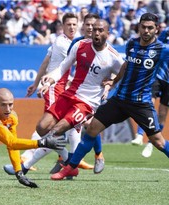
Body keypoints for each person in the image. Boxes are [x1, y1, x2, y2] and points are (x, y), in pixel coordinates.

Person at [53, 13, 169, 180]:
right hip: (120, 99)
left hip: (141, 104)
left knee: (158, 141)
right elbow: (125, 66)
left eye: (150, 28)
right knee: (92, 128)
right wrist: (113, 82)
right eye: (143, 27)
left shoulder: (162, 50)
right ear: (139, 27)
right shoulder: (132, 44)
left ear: (156, 29)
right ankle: (71, 167)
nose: (146, 30)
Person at [38, 18, 124, 180]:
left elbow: (124, 74)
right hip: (69, 94)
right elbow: (63, 66)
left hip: (87, 103)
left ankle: (70, 162)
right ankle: (68, 159)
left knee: (56, 131)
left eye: (100, 30)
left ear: (108, 33)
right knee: (41, 128)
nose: (96, 33)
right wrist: (50, 78)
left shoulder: (114, 57)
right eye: (94, 29)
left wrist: (111, 83)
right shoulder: (80, 45)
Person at [3, 12, 82, 175]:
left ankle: (67, 163)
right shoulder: (63, 43)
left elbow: (46, 61)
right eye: (69, 25)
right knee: (49, 130)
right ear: (63, 26)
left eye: (74, 24)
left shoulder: (67, 41)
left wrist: (35, 83)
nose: (72, 27)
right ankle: (69, 162)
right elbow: (77, 62)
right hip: (55, 88)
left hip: (63, 88)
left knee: (65, 128)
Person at [132, 25, 169, 157]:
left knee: (163, 113)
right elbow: (157, 45)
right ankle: (139, 135)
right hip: (158, 75)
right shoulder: (166, 32)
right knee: (148, 103)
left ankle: (151, 143)